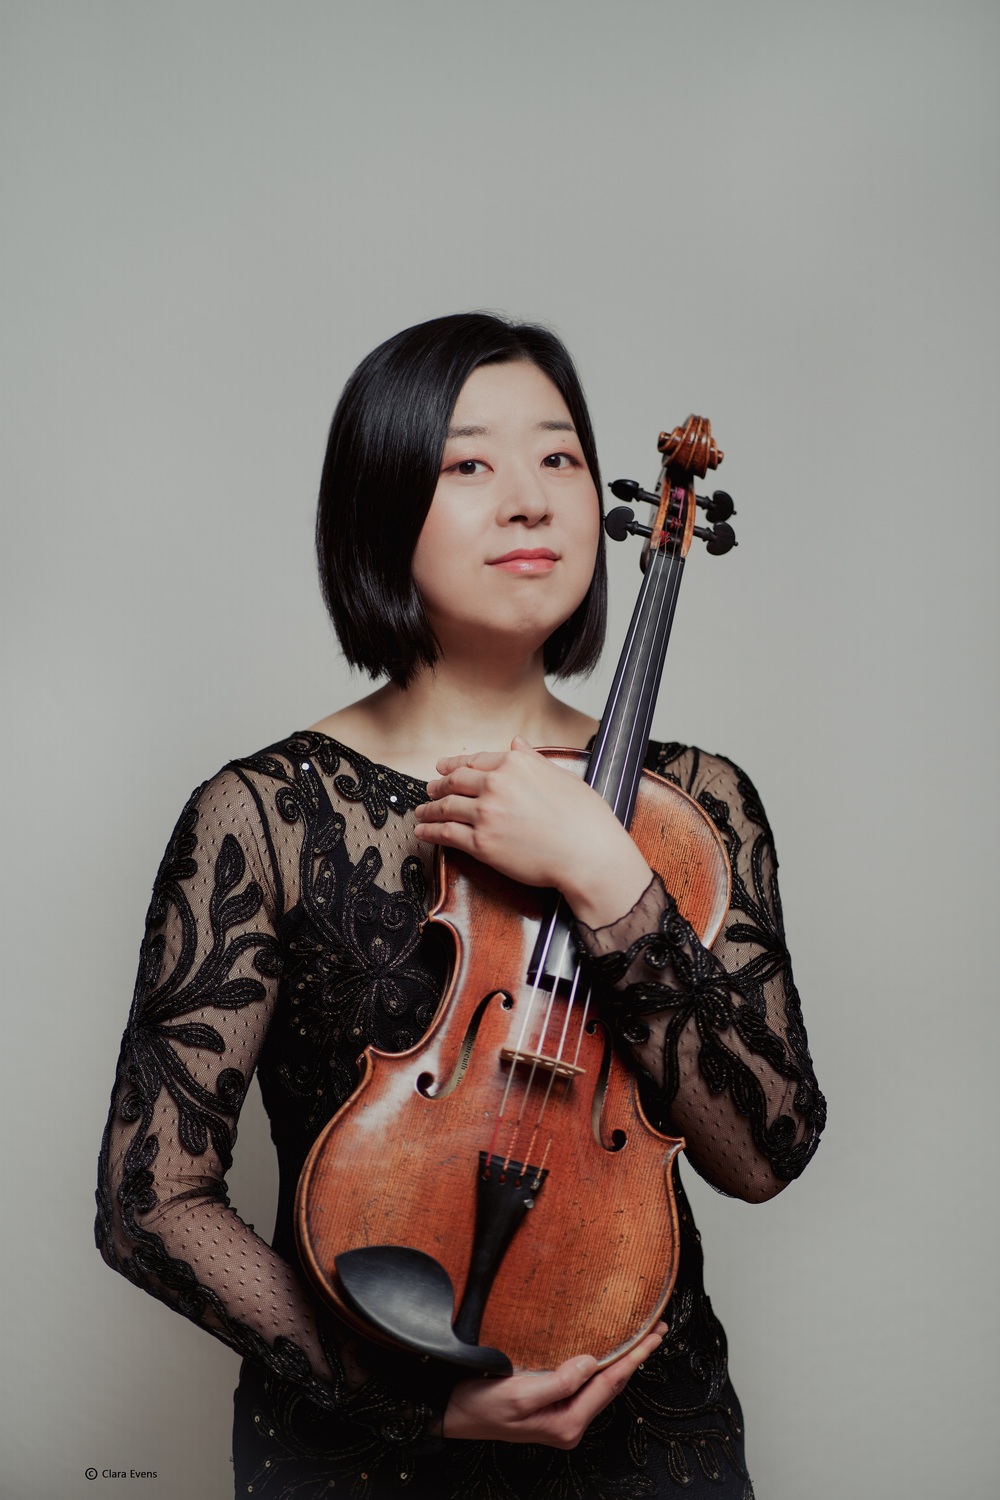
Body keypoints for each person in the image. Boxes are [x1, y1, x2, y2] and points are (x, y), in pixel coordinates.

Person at [96, 312, 825, 1500]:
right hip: (355, 1454)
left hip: (643, 1428)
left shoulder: (696, 806)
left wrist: (604, 873)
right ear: (381, 509)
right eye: (467, 464)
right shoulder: (265, 813)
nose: (529, 501)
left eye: (560, 457)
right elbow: (150, 1201)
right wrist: (408, 1403)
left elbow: (763, 1151)